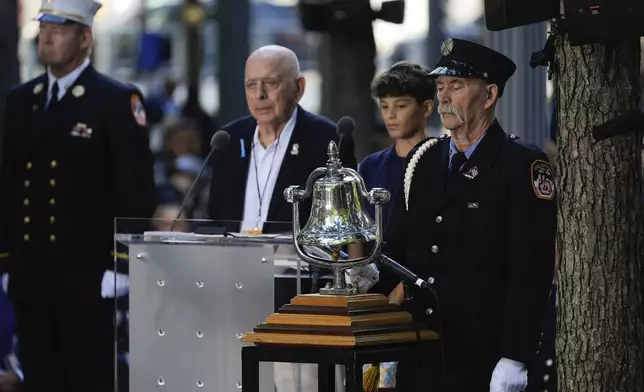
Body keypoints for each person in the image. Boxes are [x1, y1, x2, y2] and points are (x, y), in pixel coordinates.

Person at [369, 38, 556, 391]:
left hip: (484, 353)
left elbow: (531, 270)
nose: (443, 97)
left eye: (456, 86)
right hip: (422, 346)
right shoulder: (423, 161)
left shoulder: (520, 163)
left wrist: (516, 355)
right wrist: (360, 281)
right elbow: (394, 250)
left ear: (489, 96)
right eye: (440, 87)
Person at [0, 1, 157, 391]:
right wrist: (5, 259)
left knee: (87, 379)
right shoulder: (22, 99)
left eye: (60, 28)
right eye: (44, 27)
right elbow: (8, 184)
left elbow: (135, 190)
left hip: (88, 277)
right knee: (38, 378)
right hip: (31, 273)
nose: (47, 36)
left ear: (85, 37)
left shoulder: (115, 99)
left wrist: (121, 264)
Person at [208, 45, 358, 234]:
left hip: (300, 262)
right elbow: (215, 218)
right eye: (251, 85)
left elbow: (346, 226)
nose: (259, 94)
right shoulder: (228, 139)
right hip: (232, 260)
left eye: (270, 83)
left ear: (298, 88)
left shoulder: (329, 142)